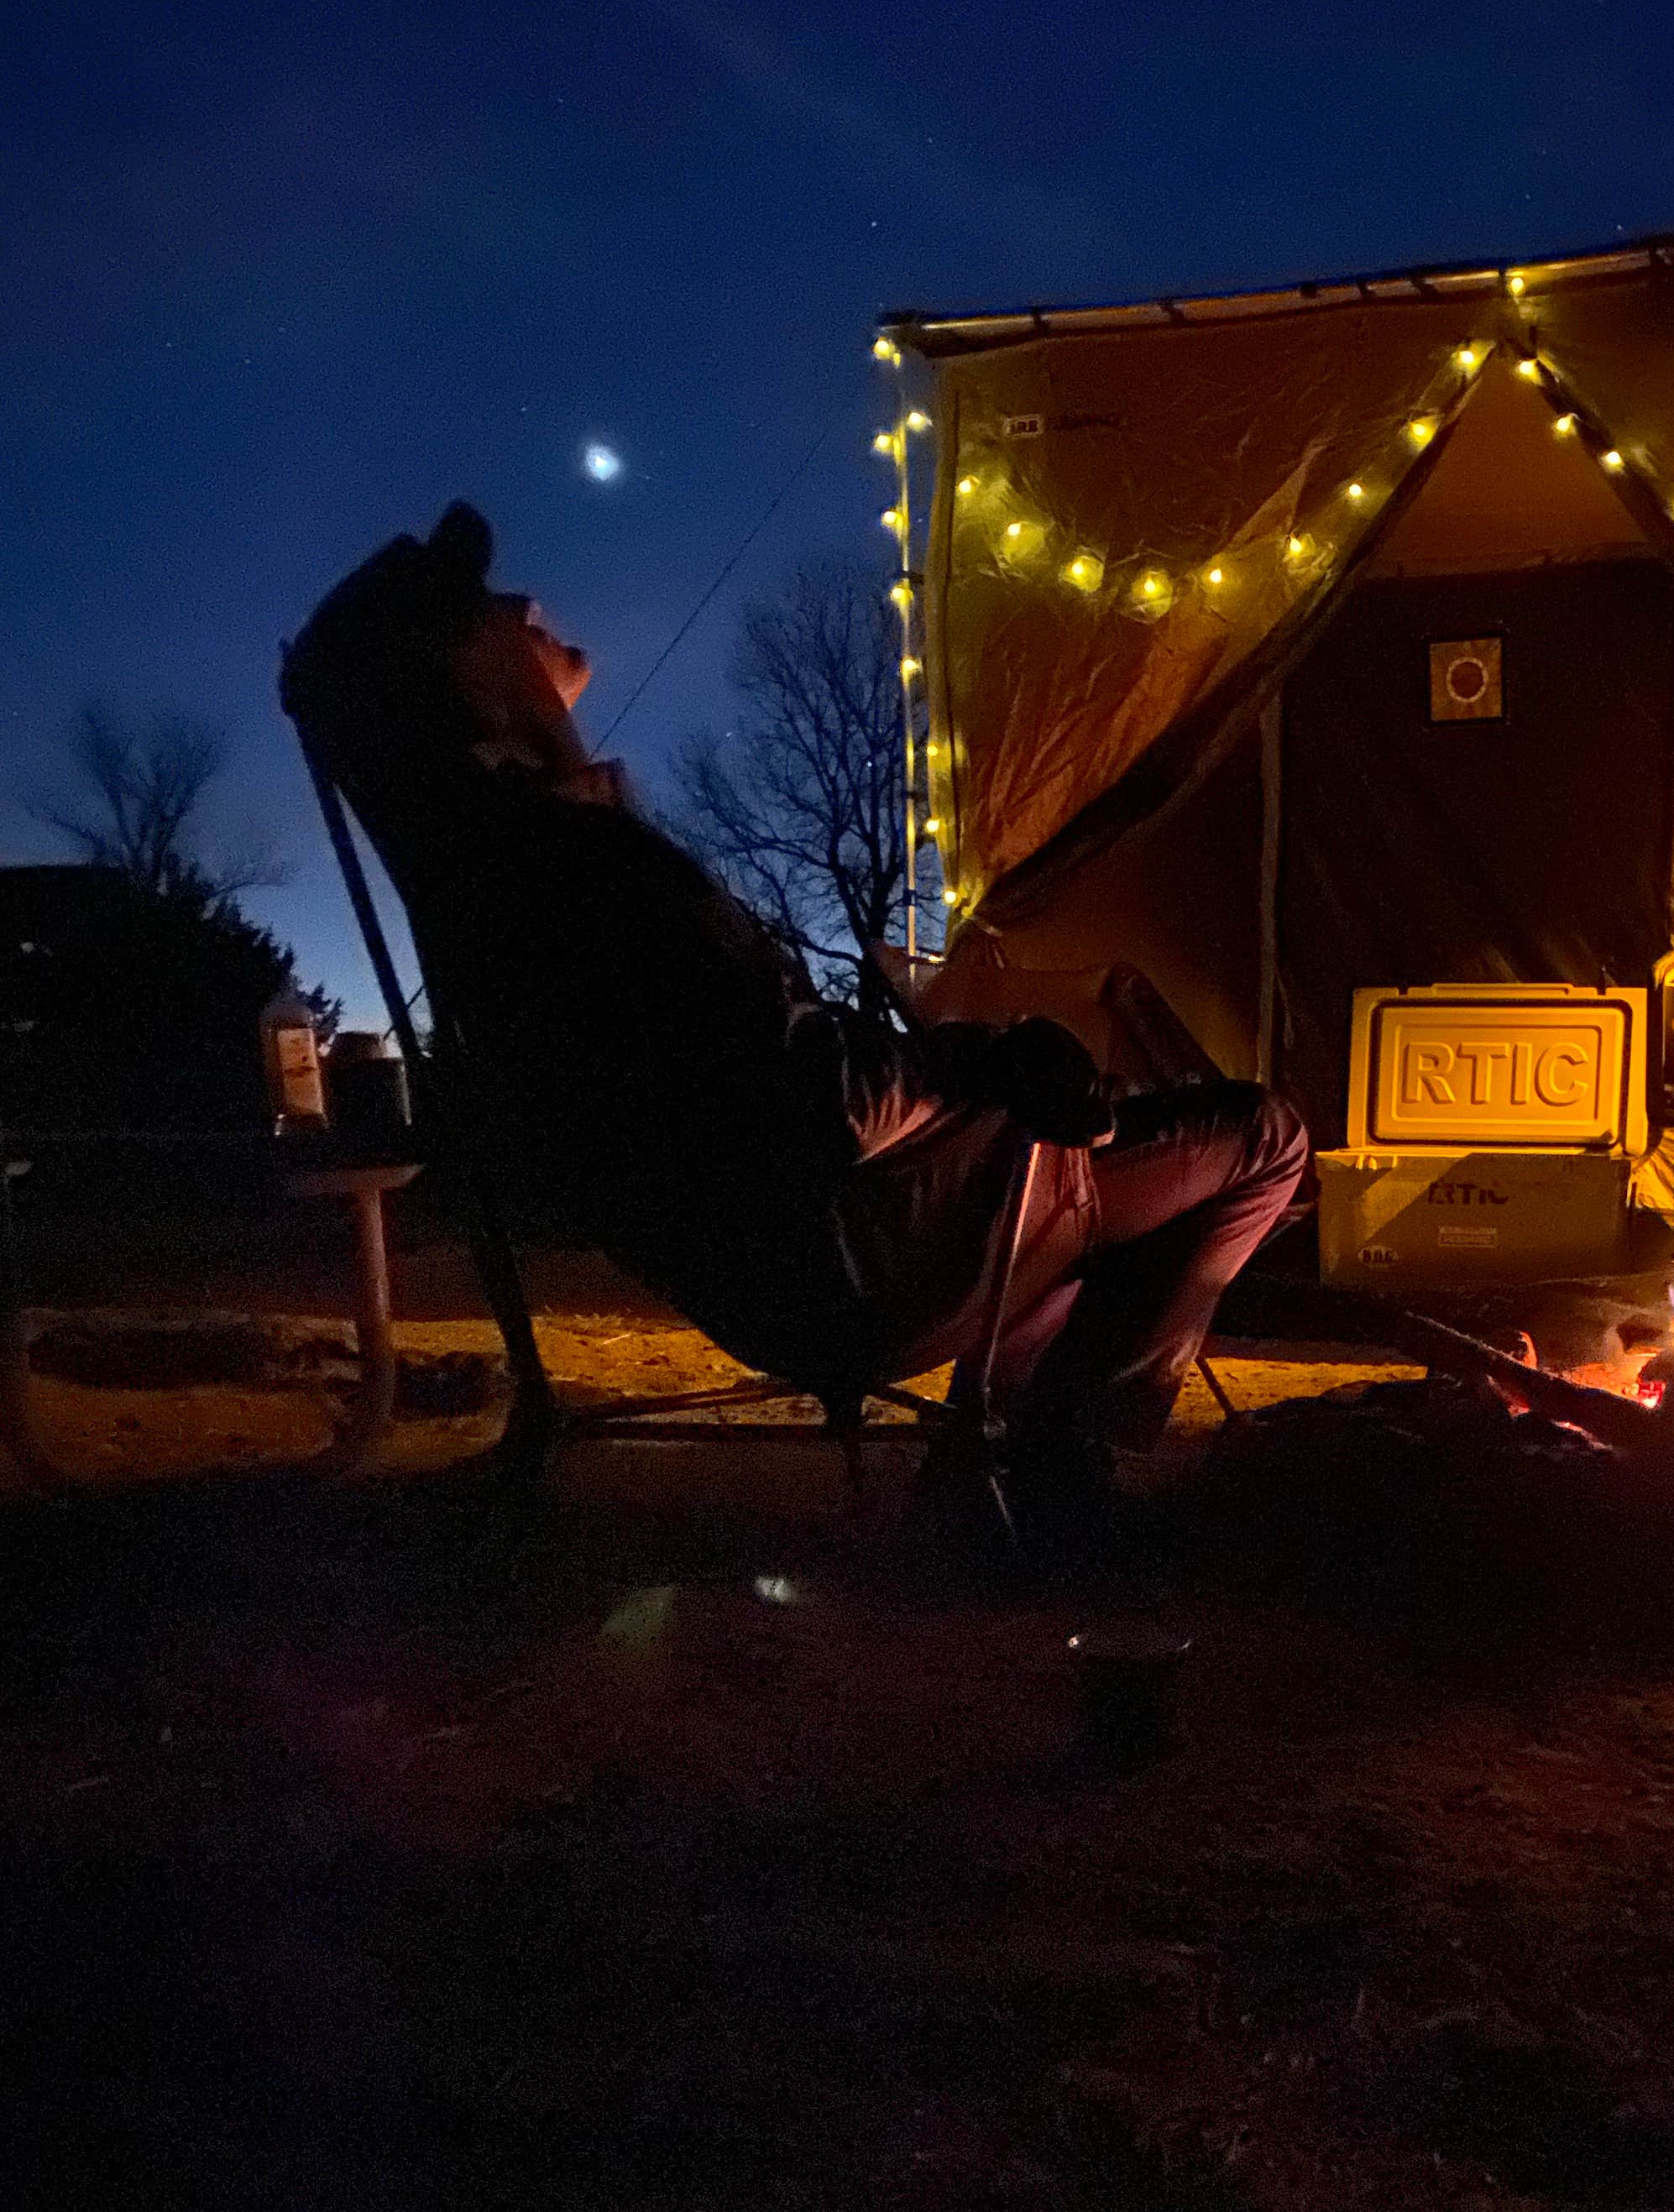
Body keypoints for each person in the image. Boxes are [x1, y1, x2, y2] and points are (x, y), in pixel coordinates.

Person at [280, 503, 1306, 1539]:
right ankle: (1061, 1469)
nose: (524, 603)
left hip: (781, 1277)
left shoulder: (500, 894)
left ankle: (1004, 1447)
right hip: (870, 1261)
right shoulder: (587, 879)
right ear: (468, 693)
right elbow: (821, 1101)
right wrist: (990, 1060)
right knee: (1260, 1138)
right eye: (485, 608)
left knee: (1107, 1134)